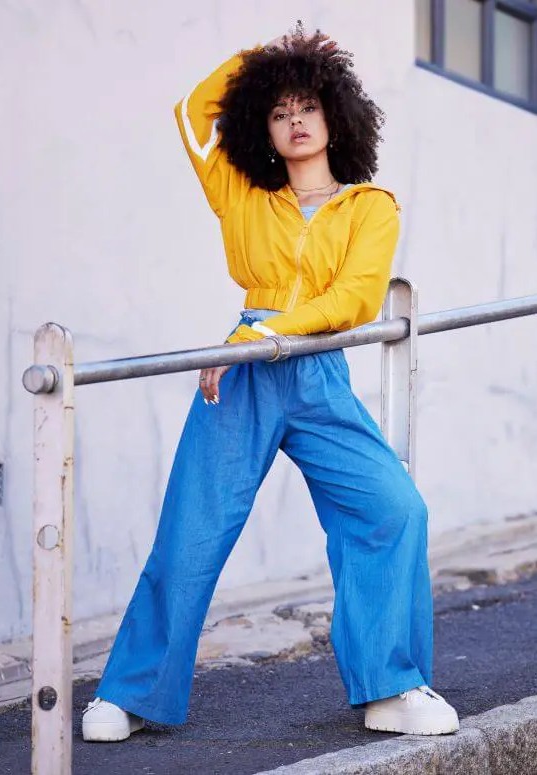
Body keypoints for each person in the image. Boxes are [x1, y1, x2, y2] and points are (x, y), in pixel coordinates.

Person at [82, 26, 460, 742]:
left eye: (307, 105)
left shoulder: (370, 206)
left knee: (393, 509)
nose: (295, 120)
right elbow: (192, 111)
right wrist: (267, 58)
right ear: (264, 124)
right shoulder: (241, 194)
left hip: (315, 366)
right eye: (279, 110)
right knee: (192, 529)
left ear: (335, 116)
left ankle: (391, 686)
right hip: (243, 374)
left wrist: (268, 335)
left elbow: (355, 298)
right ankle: (130, 693)